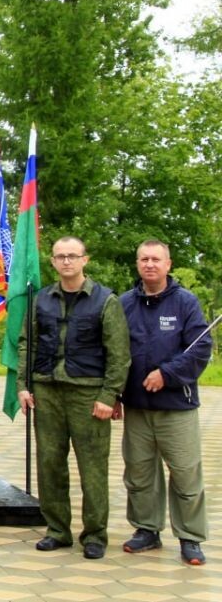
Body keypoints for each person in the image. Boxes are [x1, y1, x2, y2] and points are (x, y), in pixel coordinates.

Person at [18, 236, 130, 560]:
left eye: (72, 255)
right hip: (47, 390)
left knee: (92, 467)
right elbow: (28, 343)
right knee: (49, 463)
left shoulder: (106, 300)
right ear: (52, 261)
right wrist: (23, 385)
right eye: (60, 256)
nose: (66, 261)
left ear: (85, 259)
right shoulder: (40, 299)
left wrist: (109, 395)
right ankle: (57, 530)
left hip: (88, 393)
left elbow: (119, 353)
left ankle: (94, 534)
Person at [118, 240, 212, 566]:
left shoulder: (186, 302)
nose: (150, 264)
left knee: (185, 473)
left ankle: (190, 537)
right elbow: (113, 352)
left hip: (176, 406)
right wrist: (114, 394)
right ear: (137, 263)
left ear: (168, 264)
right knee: (139, 473)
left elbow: (200, 348)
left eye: (156, 259)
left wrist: (166, 374)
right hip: (137, 406)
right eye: (144, 259)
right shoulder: (124, 303)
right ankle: (147, 529)